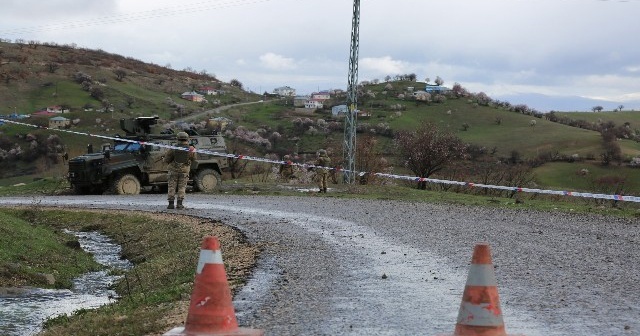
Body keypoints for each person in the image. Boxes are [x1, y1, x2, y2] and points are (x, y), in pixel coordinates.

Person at [164, 131, 195, 209]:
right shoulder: (191, 149)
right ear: (187, 139)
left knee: (171, 186)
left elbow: (167, 160)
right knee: (182, 187)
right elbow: (194, 158)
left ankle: (171, 204)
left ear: (178, 138)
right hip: (184, 171)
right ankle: (179, 204)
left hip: (173, 171)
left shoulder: (173, 148)